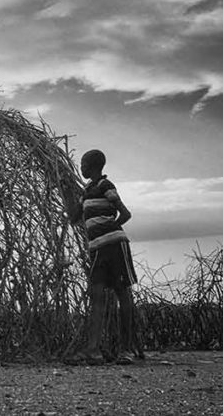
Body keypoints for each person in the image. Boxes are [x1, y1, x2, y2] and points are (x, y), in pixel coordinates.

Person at [66, 149, 139, 365]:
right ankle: (93, 350)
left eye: (83, 164)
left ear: (94, 165)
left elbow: (125, 213)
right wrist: (67, 191)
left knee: (122, 295)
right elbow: (73, 217)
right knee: (96, 297)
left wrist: (108, 228)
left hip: (115, 247)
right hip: (97, 250)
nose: (81, 168)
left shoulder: (106, 186)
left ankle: (126, 350)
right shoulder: (87, 191)